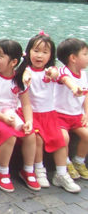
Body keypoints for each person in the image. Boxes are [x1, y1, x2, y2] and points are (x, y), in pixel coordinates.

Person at [14, 33, 80, 193]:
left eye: (45, 52)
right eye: (36, 51)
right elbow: (24, 76)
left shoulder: (51, 72)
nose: (39, 55)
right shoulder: (25, 71)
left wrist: (74, 88)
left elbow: (63, 78)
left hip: (49, 115)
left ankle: (61, 173)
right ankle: (39, 169)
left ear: (51, 55)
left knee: (61, 138)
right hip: (29, 114)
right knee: (37, 138)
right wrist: (25, 77)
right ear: (28, 52)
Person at [0, 39, 39, 192]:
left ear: (13, 62)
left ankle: (27, 169)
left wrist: (29, 122)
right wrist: (2, 118)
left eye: (0, 56)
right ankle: (2, 170)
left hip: (12, 115)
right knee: (9, 135)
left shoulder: (19, 81)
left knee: (31, 135)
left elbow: (26, 104)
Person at [54, 38, 88, 182]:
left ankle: (79, 161)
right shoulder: (62, 71)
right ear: (73, 58)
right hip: (59, 116)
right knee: (64, 138)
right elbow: (67, 80)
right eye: (85, 54)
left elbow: (86, 96)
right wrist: (75, 88)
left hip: (76, 116)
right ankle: (66, 163)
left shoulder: (84, 74)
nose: (87, 57)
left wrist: (86, 114)